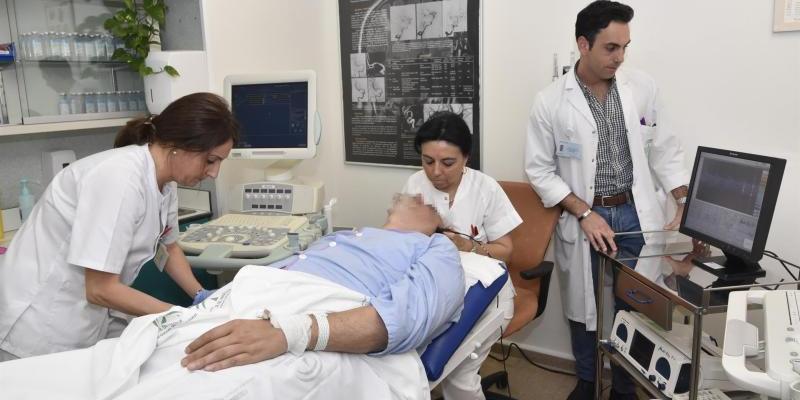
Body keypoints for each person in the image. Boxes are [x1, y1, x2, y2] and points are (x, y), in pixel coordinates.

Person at [524, 2, 688, 399]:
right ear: (583, 44)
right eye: (610, 48)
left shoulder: (642, 87)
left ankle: (625, 387)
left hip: (636, 211)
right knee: (586, 310)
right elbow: (539, 170)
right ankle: (587, 379)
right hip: (587, 214)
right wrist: (584, 212)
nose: (620, 57)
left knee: (636, 302)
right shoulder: (550, 101)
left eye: (625, 47)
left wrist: (682, 202)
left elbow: (664, 149)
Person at [0, 92, 240, 361]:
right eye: (210, 160)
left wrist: (200, 297)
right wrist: (178, 318)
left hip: (86, 317)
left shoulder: (166, 182)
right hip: (40, 324)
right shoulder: (119, 179)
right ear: (178, 144)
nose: (213, 173)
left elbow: (168, 247)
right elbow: (100, 288)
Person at [179, 193, 465, 371]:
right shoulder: (345, 236)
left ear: (439, 225)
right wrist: (207, 301)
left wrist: (290, 332)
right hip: (247, 298)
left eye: (429, 201)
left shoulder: (436, 247)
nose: (417, 195)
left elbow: (407, 316)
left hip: (307, 311)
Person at [402, 111, 521, 400]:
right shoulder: (415, 185)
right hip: (433, 293)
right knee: (406, 367)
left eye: (447, 163)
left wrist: (471, 248)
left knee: (459, 376)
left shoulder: (485, 189)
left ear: (466, 158)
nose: (435, 172)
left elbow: (507, 250)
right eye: (427, 161)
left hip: (486, 296)